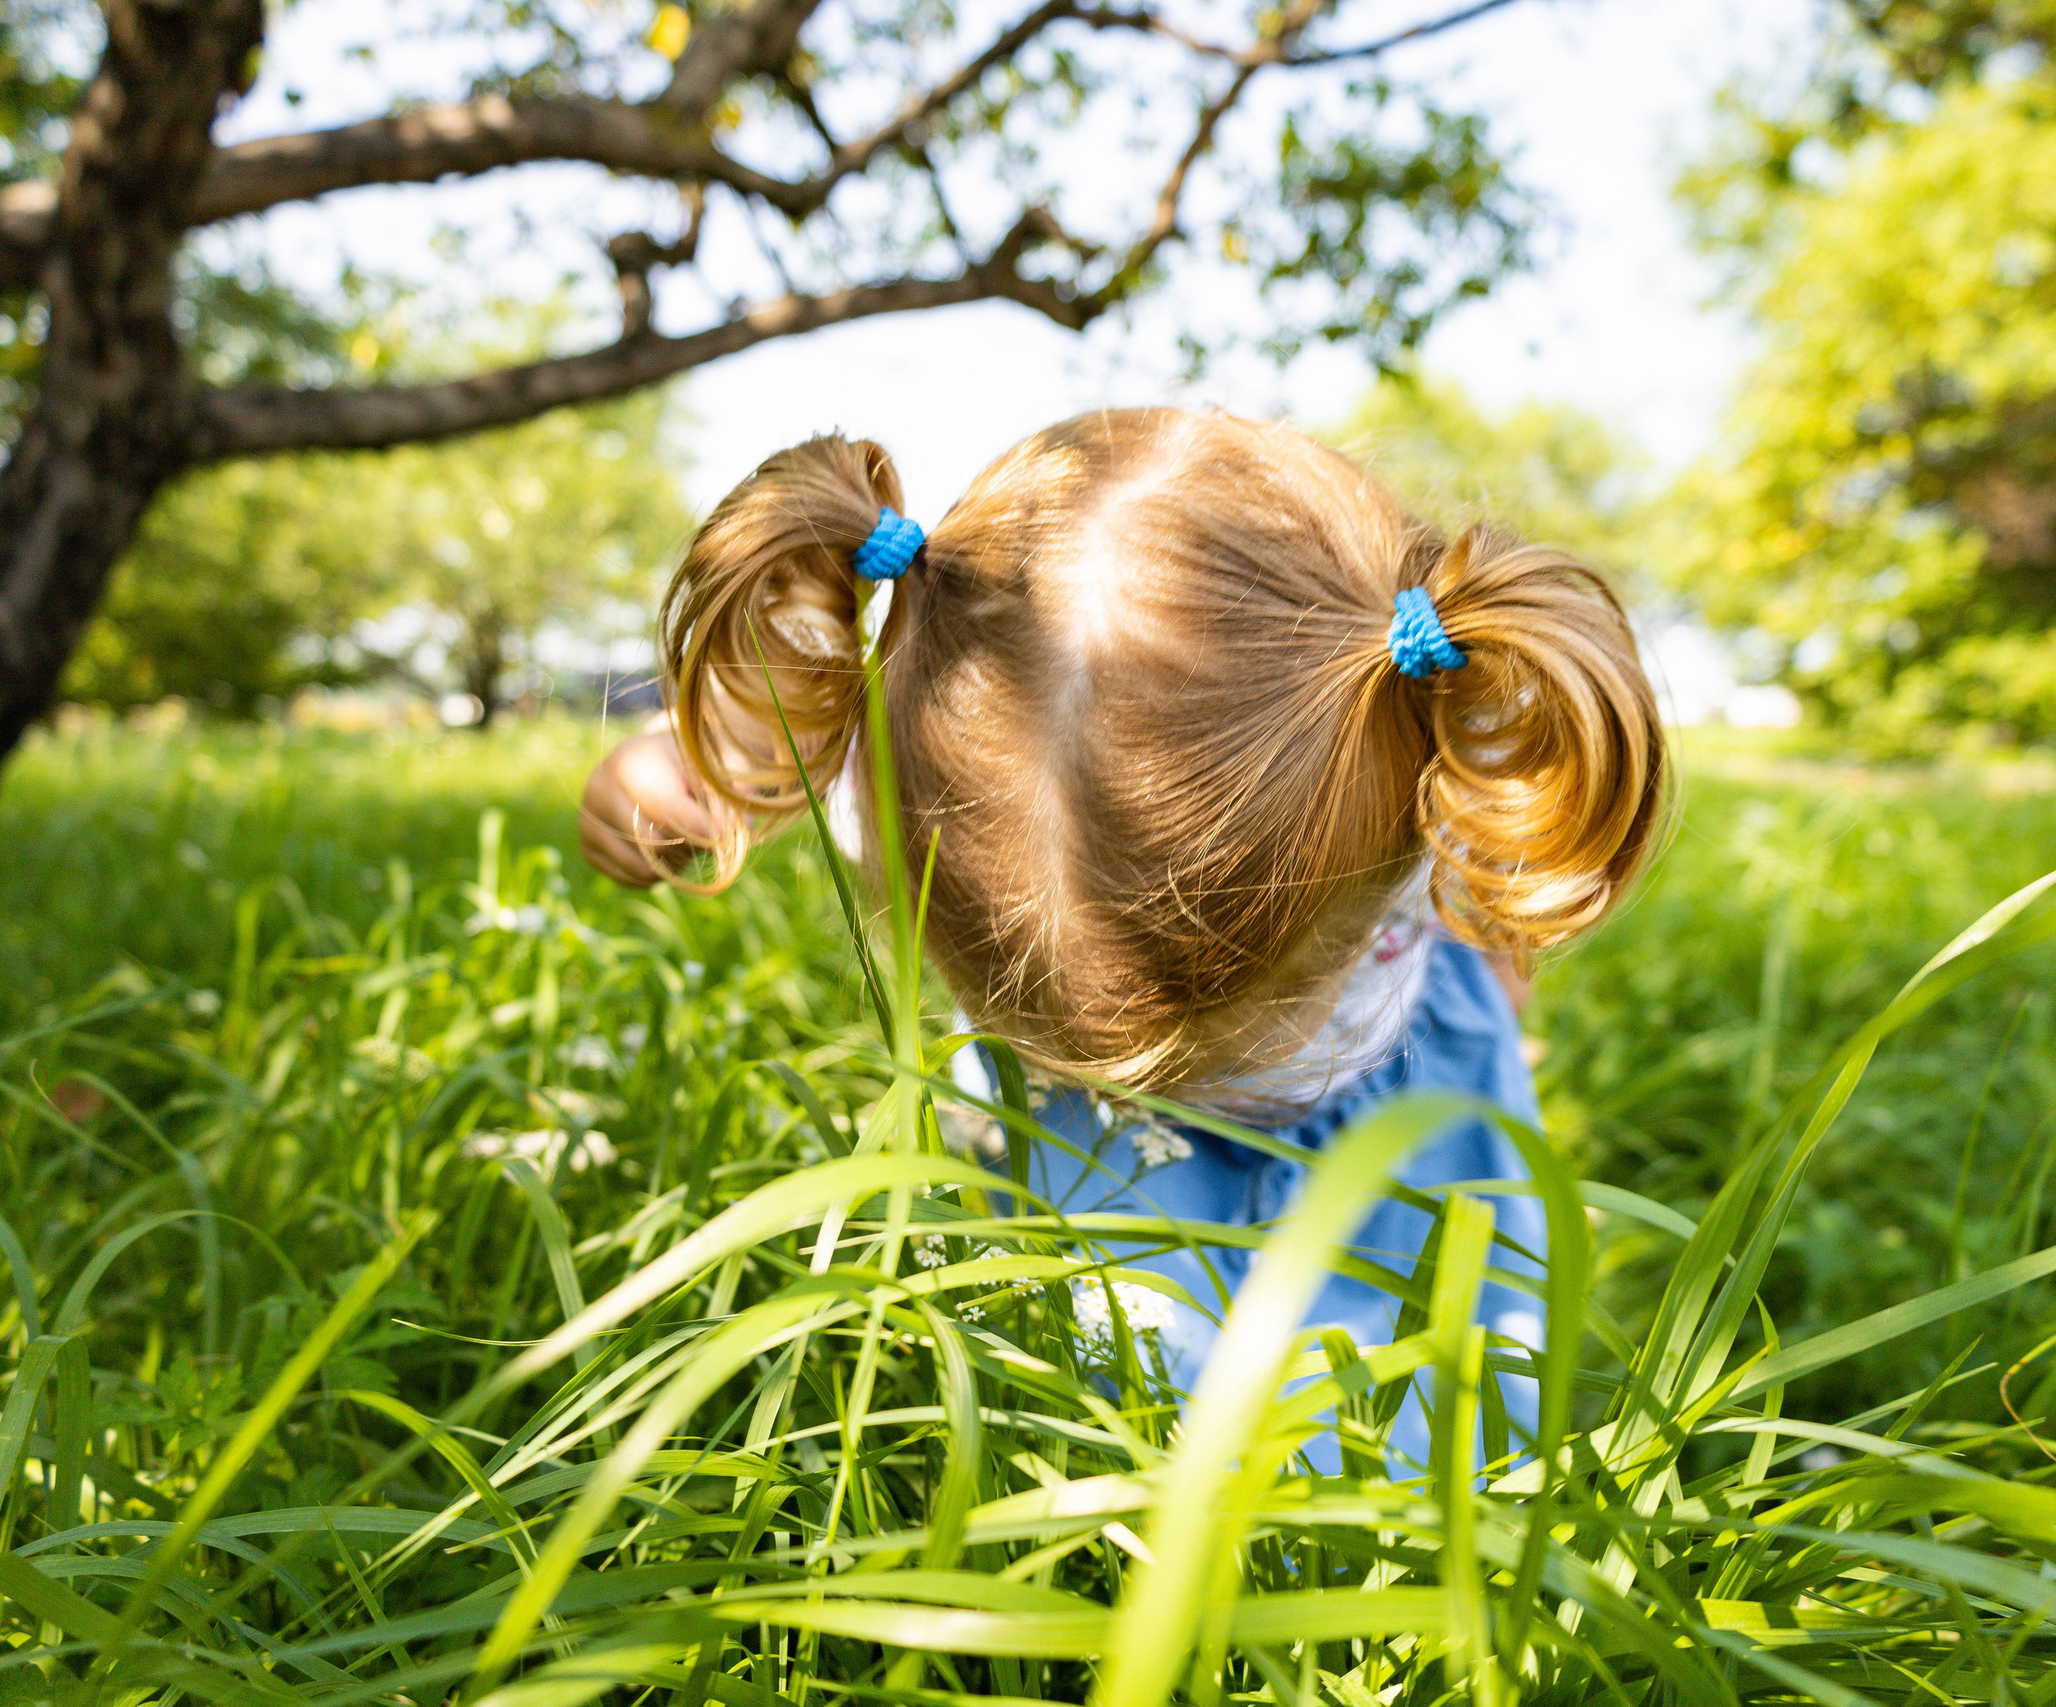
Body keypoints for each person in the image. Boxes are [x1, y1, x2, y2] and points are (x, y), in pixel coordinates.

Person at [578, 408, 1665, 1470]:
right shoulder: (921, 774)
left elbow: (1505, 871)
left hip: (1408, 1099)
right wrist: (667, 772)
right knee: (1124, 1408)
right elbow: (744, 745)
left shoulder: (1403, 731)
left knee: (1448, 1400)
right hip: (1095, 1140)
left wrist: (1493, 979)